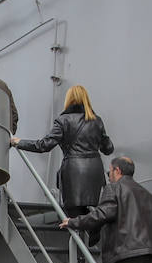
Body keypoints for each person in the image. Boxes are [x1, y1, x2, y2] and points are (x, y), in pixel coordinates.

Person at [58, 157, 152, 263]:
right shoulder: (150, 197)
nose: (109, 176)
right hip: (150, 255)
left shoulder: (114, 188)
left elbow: (101, 214)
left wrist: (74, 222)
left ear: (117, 170)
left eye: (109, 172)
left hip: (127, 253)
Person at [13, 84, 114, 217]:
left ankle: (78, 237)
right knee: (95, 217)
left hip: (73, 173)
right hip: (95, 172)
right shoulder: (97, 121)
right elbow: (108, 149)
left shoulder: (63, 121)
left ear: (69, 100)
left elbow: (44, 145)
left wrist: (19, 142)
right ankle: (91, 238)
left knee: (74, 217)